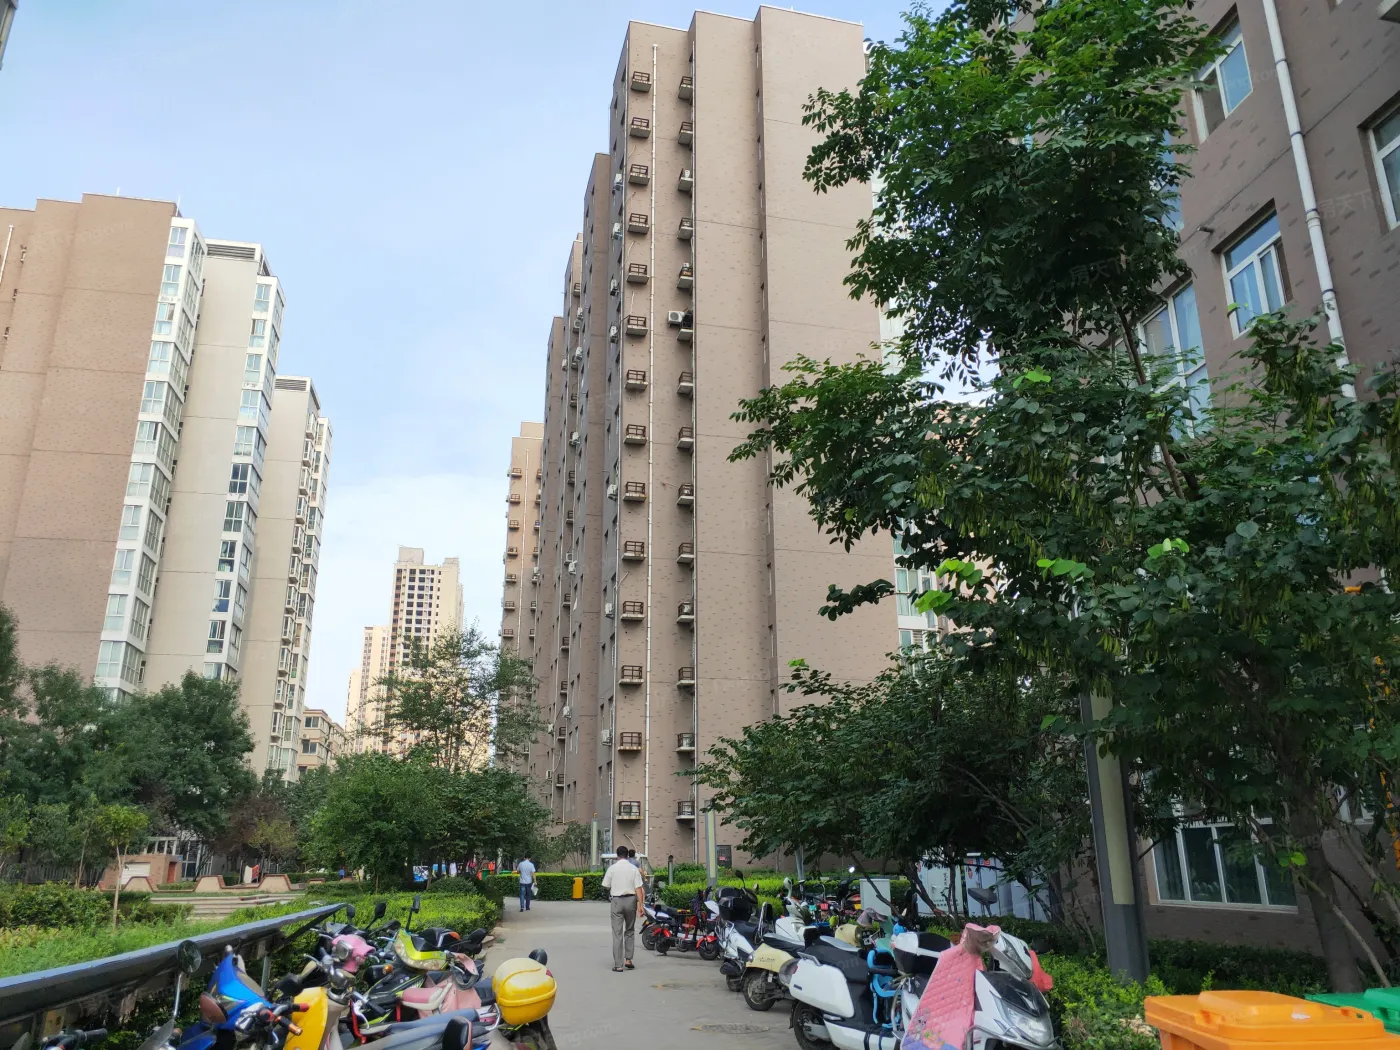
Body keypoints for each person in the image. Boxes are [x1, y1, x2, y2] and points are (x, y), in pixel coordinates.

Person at [601, 846, 645, 972]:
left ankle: (618, 965)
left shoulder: (612, 868)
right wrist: (640, 905)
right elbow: (638, 888)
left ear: (617, 856)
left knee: (617, 933)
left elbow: (606, 885)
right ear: (627, 855)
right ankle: (628, 960)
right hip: (631, 900)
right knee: (630, 930)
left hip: (616, 901)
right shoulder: (633, 869)